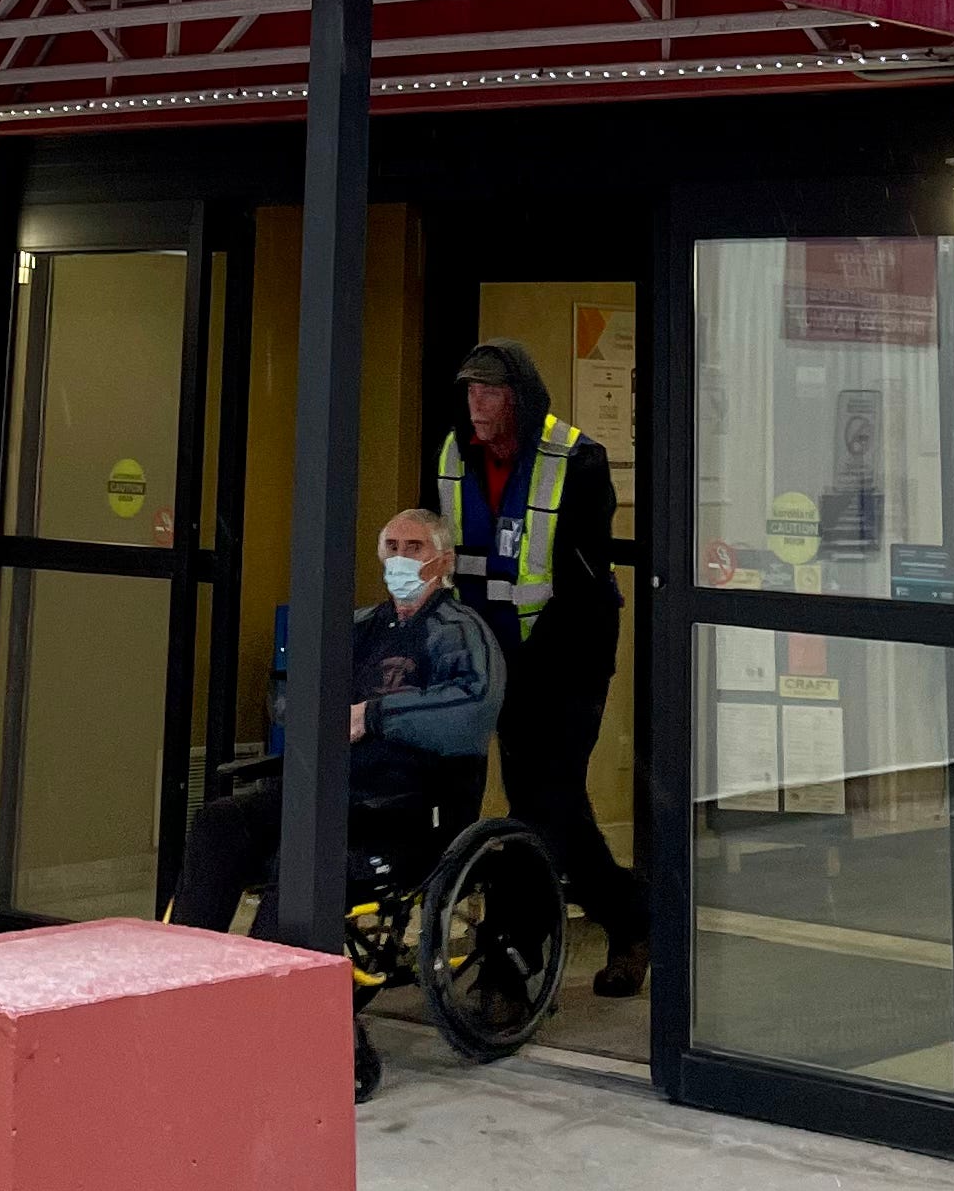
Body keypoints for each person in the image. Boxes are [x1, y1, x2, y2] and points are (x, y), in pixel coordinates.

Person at [170, 507, 503, 946]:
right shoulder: (356, 627)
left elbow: (473, 707)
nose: (401, 558)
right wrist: (313, 714)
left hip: (406, 807)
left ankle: (274, 976)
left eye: (414, 548)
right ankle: (188, 960)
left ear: (444, 561)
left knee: (305, 853)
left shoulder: (460, 632)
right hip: (331, 792)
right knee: (220, 823)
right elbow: (290, 694)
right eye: (392, 547)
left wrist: (373, 716)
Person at [441, 340, 651, 995]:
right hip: (491, 658)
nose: (476, 404)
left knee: (544, 801)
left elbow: (582, 585)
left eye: (490, 391)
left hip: (567, 660)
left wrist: (527, 671)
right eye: (470, 390)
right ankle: (629, 915)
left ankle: (511, 960)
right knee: (547, 806)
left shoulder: (578, 462)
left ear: (520, 399)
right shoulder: (454, 455)